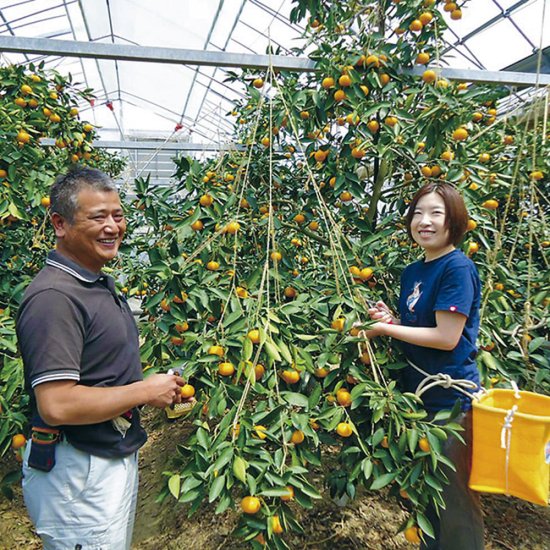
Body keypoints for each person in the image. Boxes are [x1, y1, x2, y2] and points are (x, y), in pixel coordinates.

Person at [16, 166, 185, 550]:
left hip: (103, 458)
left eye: (118, 215)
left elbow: (100, 374)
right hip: (77, 470)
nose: (113, 227)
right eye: (98, 217)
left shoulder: (93, 282)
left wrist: (155, 388)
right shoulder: (55, 299)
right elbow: (57, 404)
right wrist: (143, 391)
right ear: (60, 224)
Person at [364, 182, 484, 550]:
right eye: (418, 213)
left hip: (449, 402)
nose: (424, 221)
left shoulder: (457, 268)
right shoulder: (413, 271)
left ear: (455, 221)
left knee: (453, 503)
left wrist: (385, 329)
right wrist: (394, 321)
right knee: (428, 497)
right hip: (415, 400)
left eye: (436, 213)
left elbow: (447, 338)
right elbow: (421, 327)